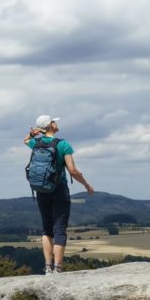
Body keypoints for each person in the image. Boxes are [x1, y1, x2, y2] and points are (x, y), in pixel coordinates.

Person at [23, 115, 94, 274]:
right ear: (51, 125)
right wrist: (86, 185)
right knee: (60, 228)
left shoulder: (36, 143)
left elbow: (25, 140)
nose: (57, 123)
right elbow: (73, 170)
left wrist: (34, 133)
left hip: (41, 189)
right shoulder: (63, 144)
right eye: (54, 121)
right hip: (59, 188)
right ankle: (58, 269)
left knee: (46, 228)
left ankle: (48, 268)